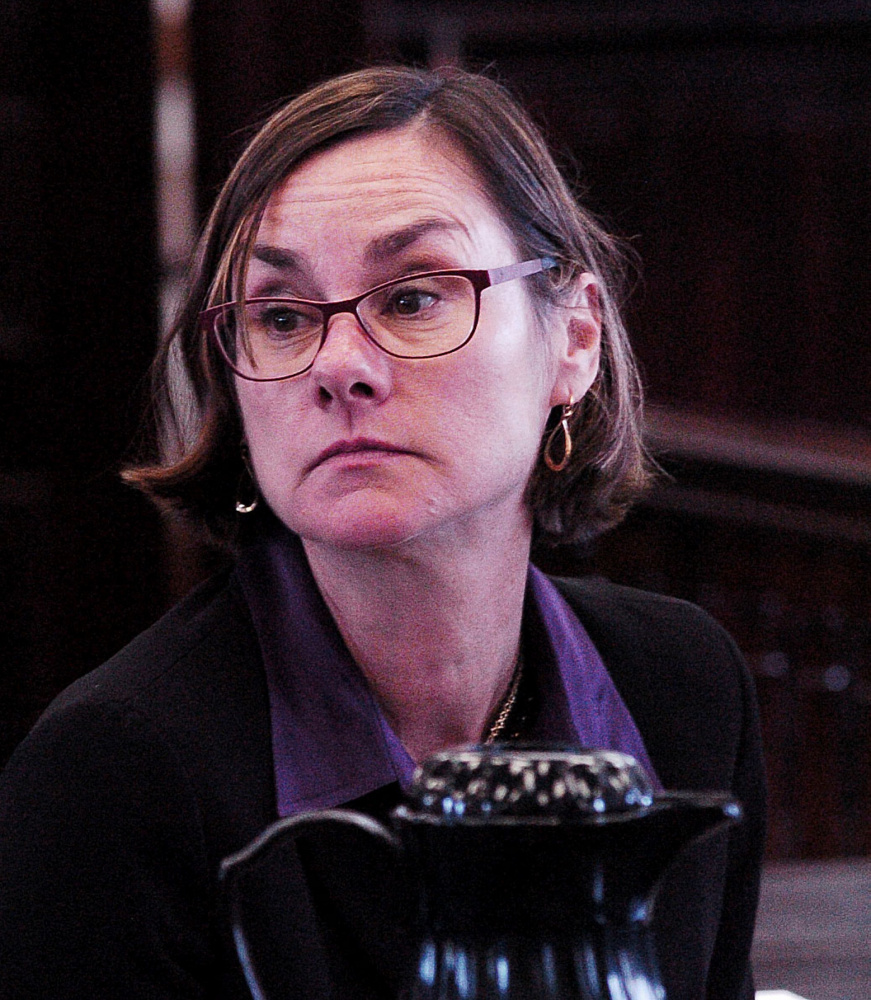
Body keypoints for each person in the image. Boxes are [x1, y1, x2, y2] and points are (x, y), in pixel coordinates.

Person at [0, 65, 765, 1000]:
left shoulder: (686, 688)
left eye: (410, 298)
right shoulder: (115, 774)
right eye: (281, 317)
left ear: (573, 339)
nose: (338, 368)